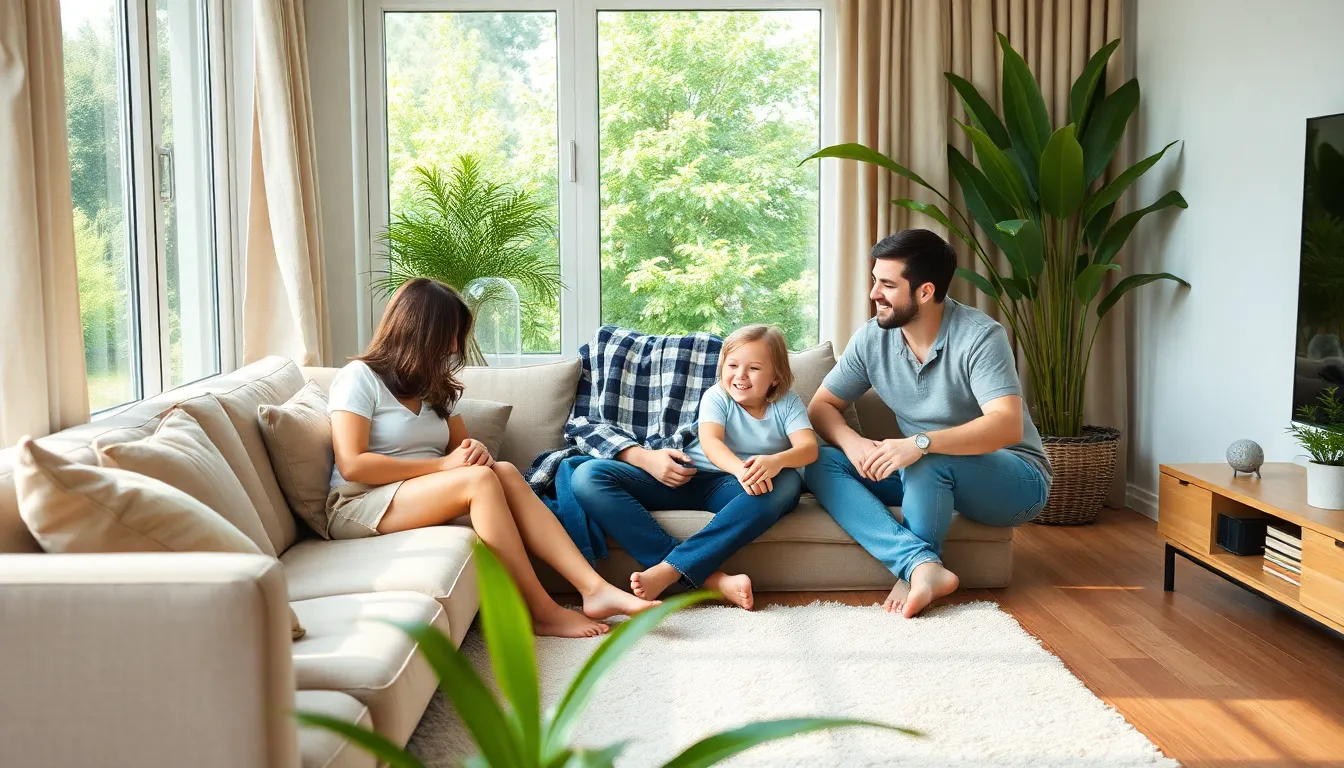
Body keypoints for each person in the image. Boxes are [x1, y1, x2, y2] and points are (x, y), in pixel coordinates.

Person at [326, 278, 657, 638]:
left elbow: (461, 451)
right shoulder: (359, 378)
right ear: (418, 330)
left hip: (418, 492)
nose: (454, 346)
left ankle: (593, 589)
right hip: (359, 503)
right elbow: (353, 463)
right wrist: (442, 466)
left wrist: (473, 452)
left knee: (504, 471)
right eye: (448, 334)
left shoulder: (436, 384)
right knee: (481, 480)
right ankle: (542, 611)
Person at [803, 229, 1052, 619]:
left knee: (927, 456)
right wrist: (853, 444)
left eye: (887, 284)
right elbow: (822, 406)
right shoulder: (872, 339)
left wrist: (918, 443)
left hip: (1014, 478)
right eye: (874, 281)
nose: (874, 294)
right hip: (925, 468)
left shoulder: (980, 336)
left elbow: (1007, 426)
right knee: (817, 460)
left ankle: (916, 571)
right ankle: (920, 565)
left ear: (924, 291)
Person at [571, 325, 817, 610]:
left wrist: (775, 461)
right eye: (732, 365)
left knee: (787, 483)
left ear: (776, 376)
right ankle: (710, 579)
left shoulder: (788, 403)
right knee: (587, 476)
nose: (740, 375)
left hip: (734, 489)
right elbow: (712, 444)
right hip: (684, 477)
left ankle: (670, 569)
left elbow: (808, 449)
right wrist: (740, 469)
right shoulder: (717, 396)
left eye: (754, 368)